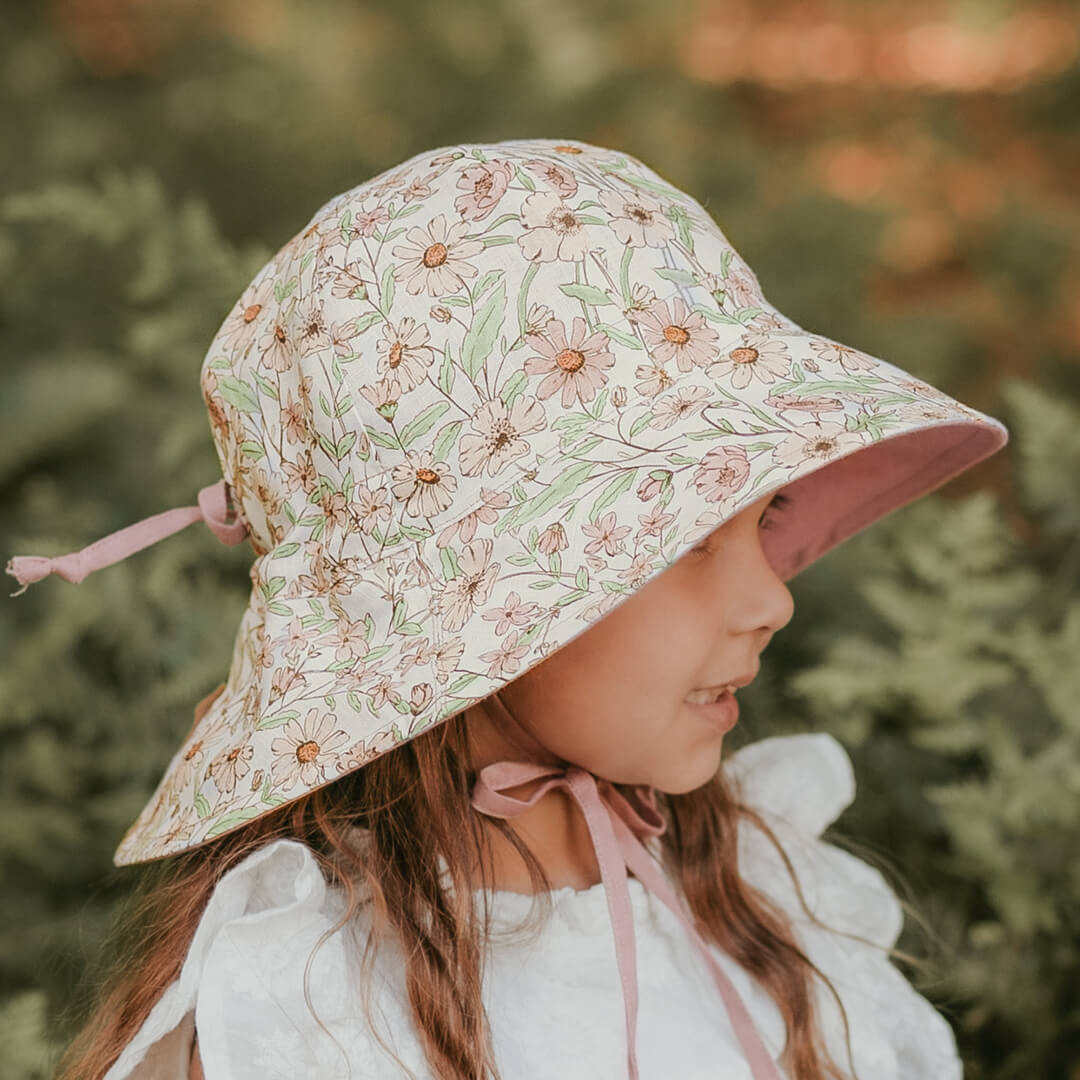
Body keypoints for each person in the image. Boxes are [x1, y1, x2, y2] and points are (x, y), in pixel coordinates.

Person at [9, 137, 1009, 1080]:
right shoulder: (305, 999)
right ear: (460, 597)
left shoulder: (763, 903)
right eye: (686, 537)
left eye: (763, 520)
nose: (772, 598)